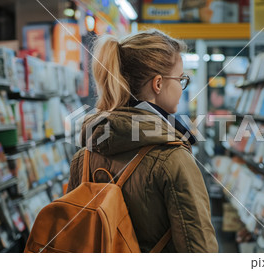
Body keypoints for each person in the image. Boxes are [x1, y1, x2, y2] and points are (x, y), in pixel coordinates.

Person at [66, 29, 218, 253]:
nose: (181, 87)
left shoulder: (84, 156)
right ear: (158, 84)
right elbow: (199, 250)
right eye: (181, 79)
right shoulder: (172, 158)